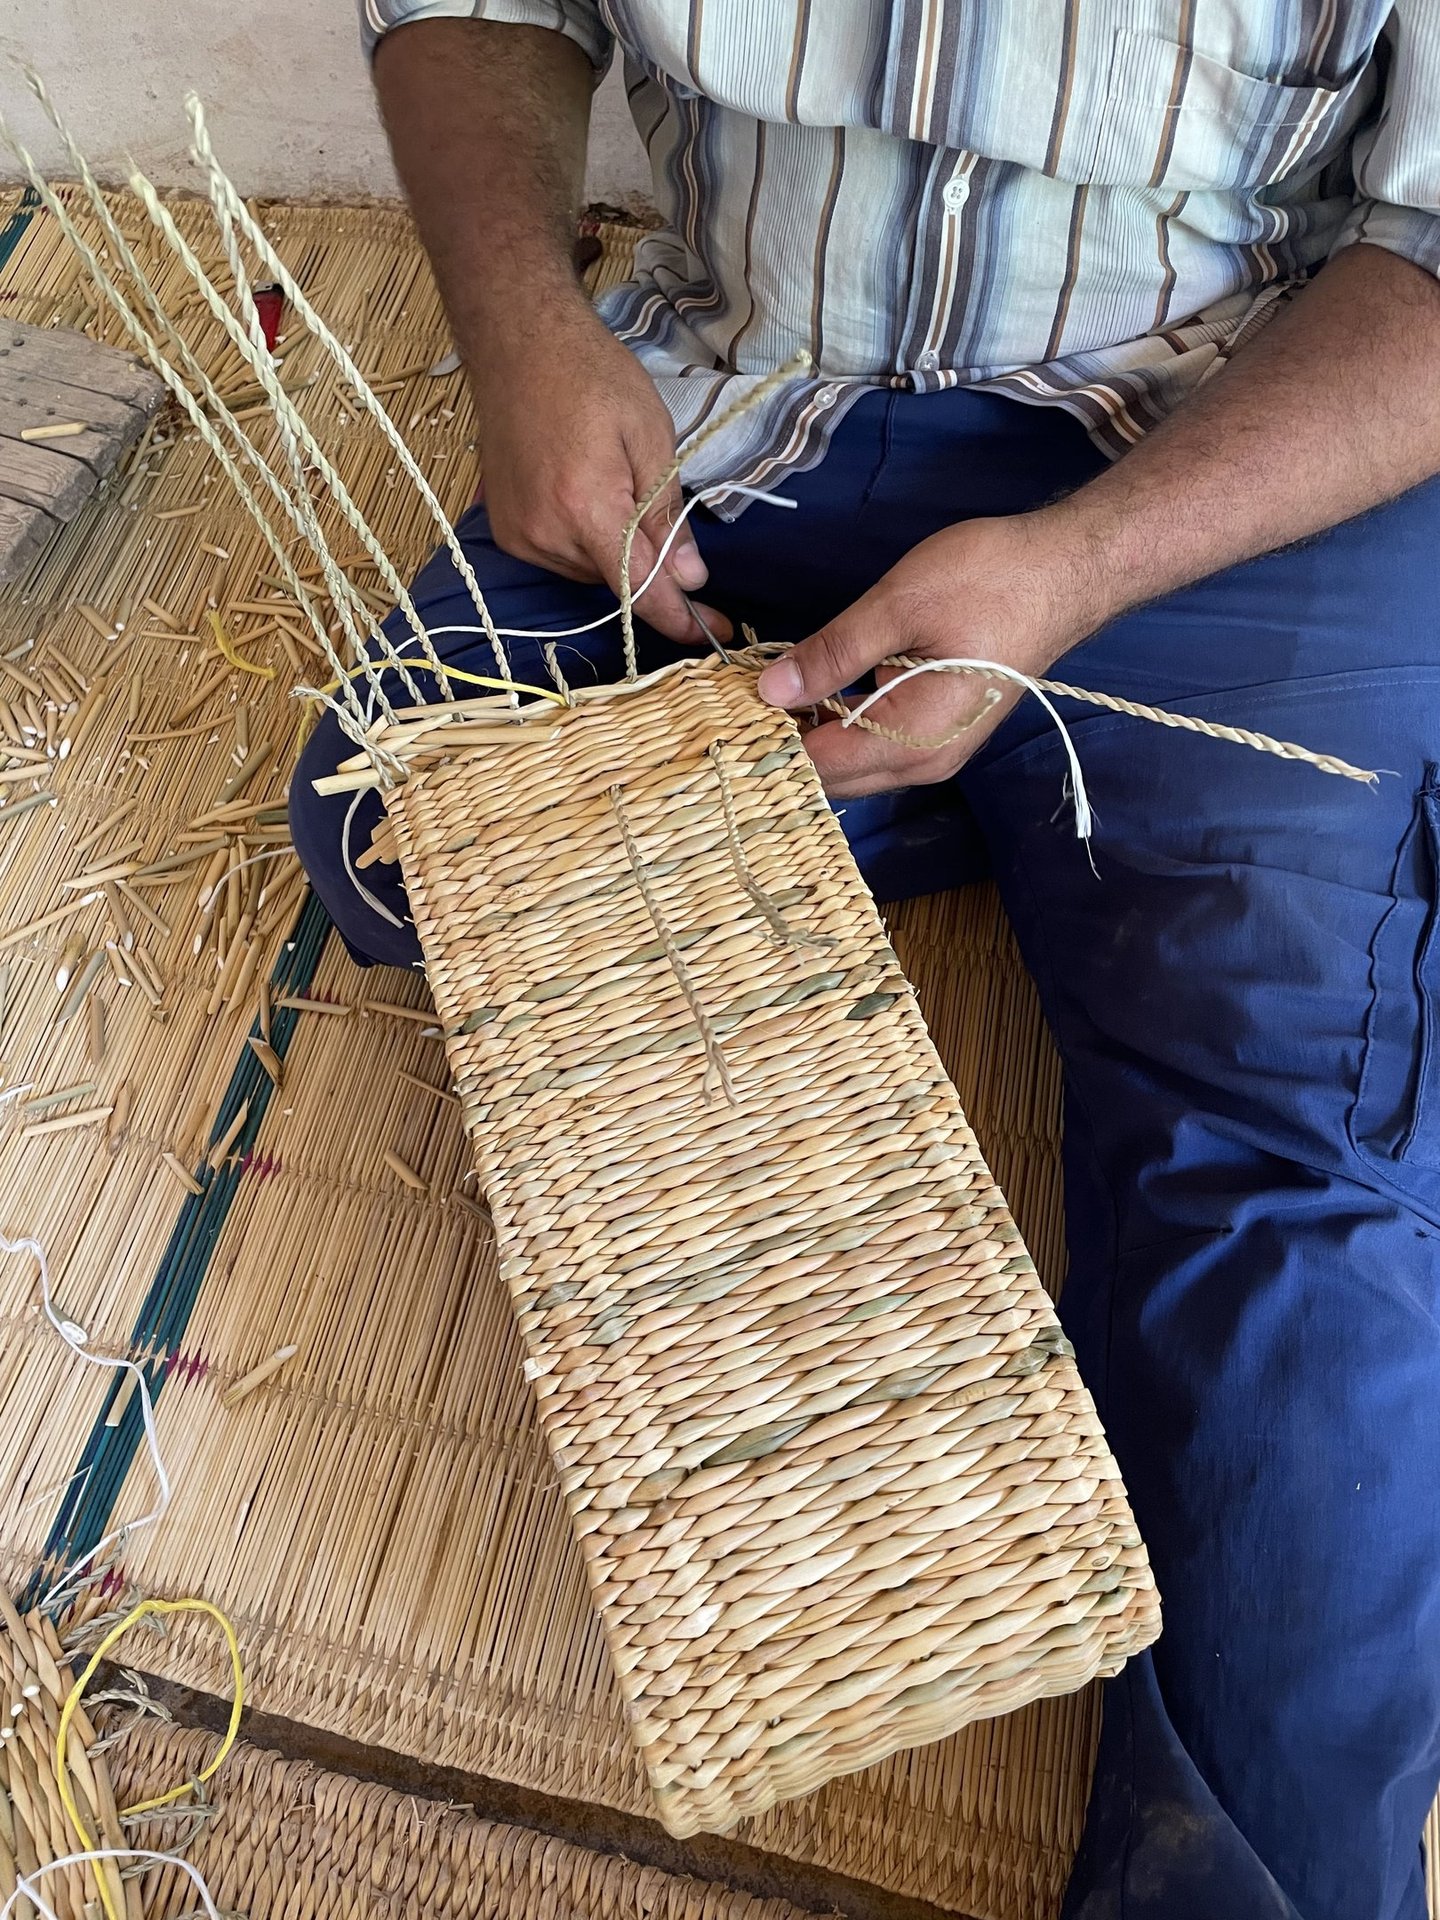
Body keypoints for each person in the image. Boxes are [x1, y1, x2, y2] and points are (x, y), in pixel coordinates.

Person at [291, 6, 1440, 1913]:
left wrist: (1077, 572)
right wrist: (525, 334)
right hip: (751, 407)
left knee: (1276, 1154)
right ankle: (1033, 798)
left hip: (1211, 455)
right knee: (396, 832)